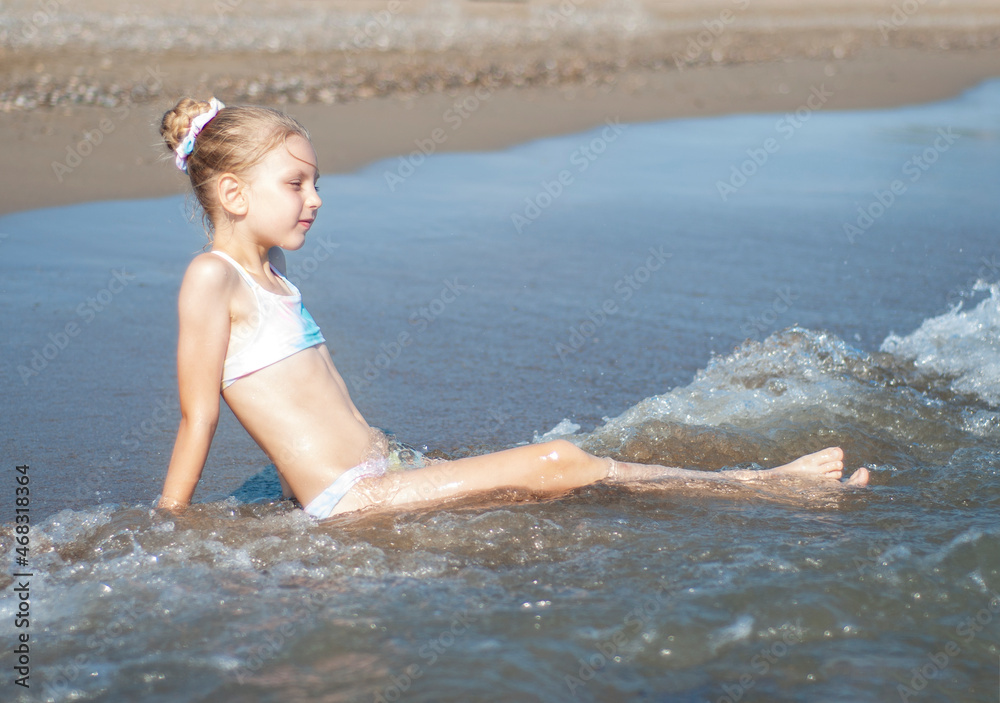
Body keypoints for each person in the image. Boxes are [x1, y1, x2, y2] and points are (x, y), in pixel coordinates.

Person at [156, 97, 869, 519]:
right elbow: (201, 415)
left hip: (377, 470)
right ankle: (762, 487)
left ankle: (742, 483)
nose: (316, 199)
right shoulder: (210, 278)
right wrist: (170, 523)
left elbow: (302, 399)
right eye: (297, 183)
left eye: (316, 182)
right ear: (234, 194)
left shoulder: (269, 270)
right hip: (349, 500)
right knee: (557, 457)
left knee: (552, 481)